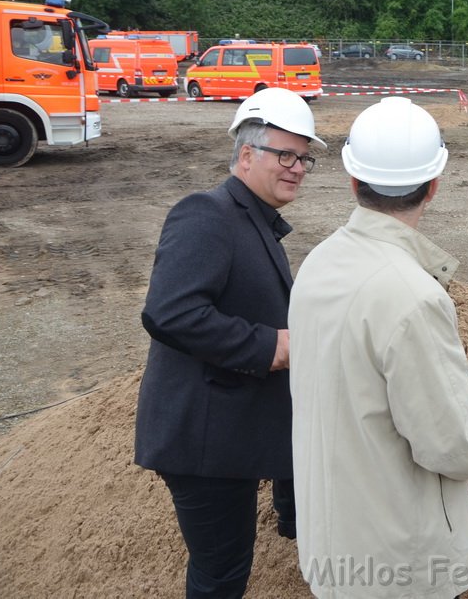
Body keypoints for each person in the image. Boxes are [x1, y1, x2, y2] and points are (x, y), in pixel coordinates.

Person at [289, 96, 468, 599]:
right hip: (396, 562)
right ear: (434, 186)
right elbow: (448, 444)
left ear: (353, 181)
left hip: (334, 544)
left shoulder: (317, 264)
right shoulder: (413, 297)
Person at [134, 87, 324, 598]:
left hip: (230, 436)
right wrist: (271, 347)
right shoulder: (207, 213)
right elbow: (170, 312)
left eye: (304, 157)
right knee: (220, 575)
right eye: (284, 154)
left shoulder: (253, 222)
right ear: (245, 154)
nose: (298, 167)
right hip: (202, 444)